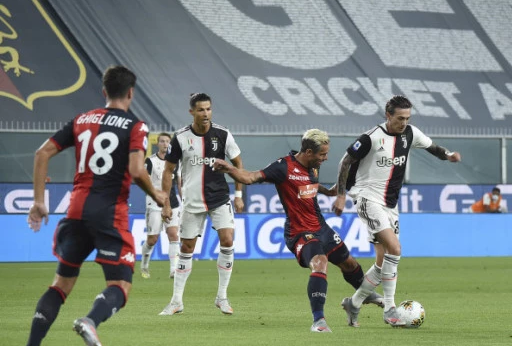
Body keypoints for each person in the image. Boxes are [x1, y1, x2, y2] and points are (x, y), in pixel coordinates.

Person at [17, 66, 168, 346]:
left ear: (104, 92)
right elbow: (137, 170)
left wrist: (39, 201)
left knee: (60, 284)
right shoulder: (136, 126)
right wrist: (157, 194)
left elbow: (42, 153)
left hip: (75, 211)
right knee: (120, 284)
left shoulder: (81, 120)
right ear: (131, 93)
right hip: (109, 213)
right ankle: (90, 320)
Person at [213, 129, 384, 332]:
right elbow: (250, 177)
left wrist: (330, 191)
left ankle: (362, 296)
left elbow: (310, 185)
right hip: (299, 232)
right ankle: (318, 321)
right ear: (309, 152)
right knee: (320, 263)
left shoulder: (313, 167)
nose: (325, 158)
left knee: (349, 263)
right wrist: (230, 169)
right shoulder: (283, 167)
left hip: (321, 227)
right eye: (322, 154)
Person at [332, 95, 461, 327]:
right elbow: (345, 161)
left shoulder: (410, 133)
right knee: (395, 248)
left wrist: (449, 155)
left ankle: (354, 302)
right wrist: (341, 195)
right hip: (367, 198)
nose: (404, 122)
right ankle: (390, 308)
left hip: (390, 205)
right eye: (400, 118)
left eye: (407, 118)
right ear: (388, 115)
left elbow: (433, 148)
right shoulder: (371, 138)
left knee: (383, 262)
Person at [158, 93, 245, 316]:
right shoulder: (180, 138)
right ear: (192, 112)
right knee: (187, 248)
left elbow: (238, 163)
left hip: (219, 198)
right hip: (192, 200)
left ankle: (222, 297)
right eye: (200, 110)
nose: (205, 114)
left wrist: (238, 194)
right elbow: (168, 171)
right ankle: (176, 301)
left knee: (227, 240)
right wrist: (166, 202)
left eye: (208, 109)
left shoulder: (223, 134)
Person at [140, 132, 182, 279]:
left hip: (173, 203)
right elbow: (144, 181)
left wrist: (183, 200)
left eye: (167, 141)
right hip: (155, 203)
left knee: (173, 234)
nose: (165, 144)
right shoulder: (150, 161)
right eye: (162, 141)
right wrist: (154, 195)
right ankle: (144, 265)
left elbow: (179, 182)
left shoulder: (176, 161)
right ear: (157, 144)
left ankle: (173, 270)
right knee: (152, 239)